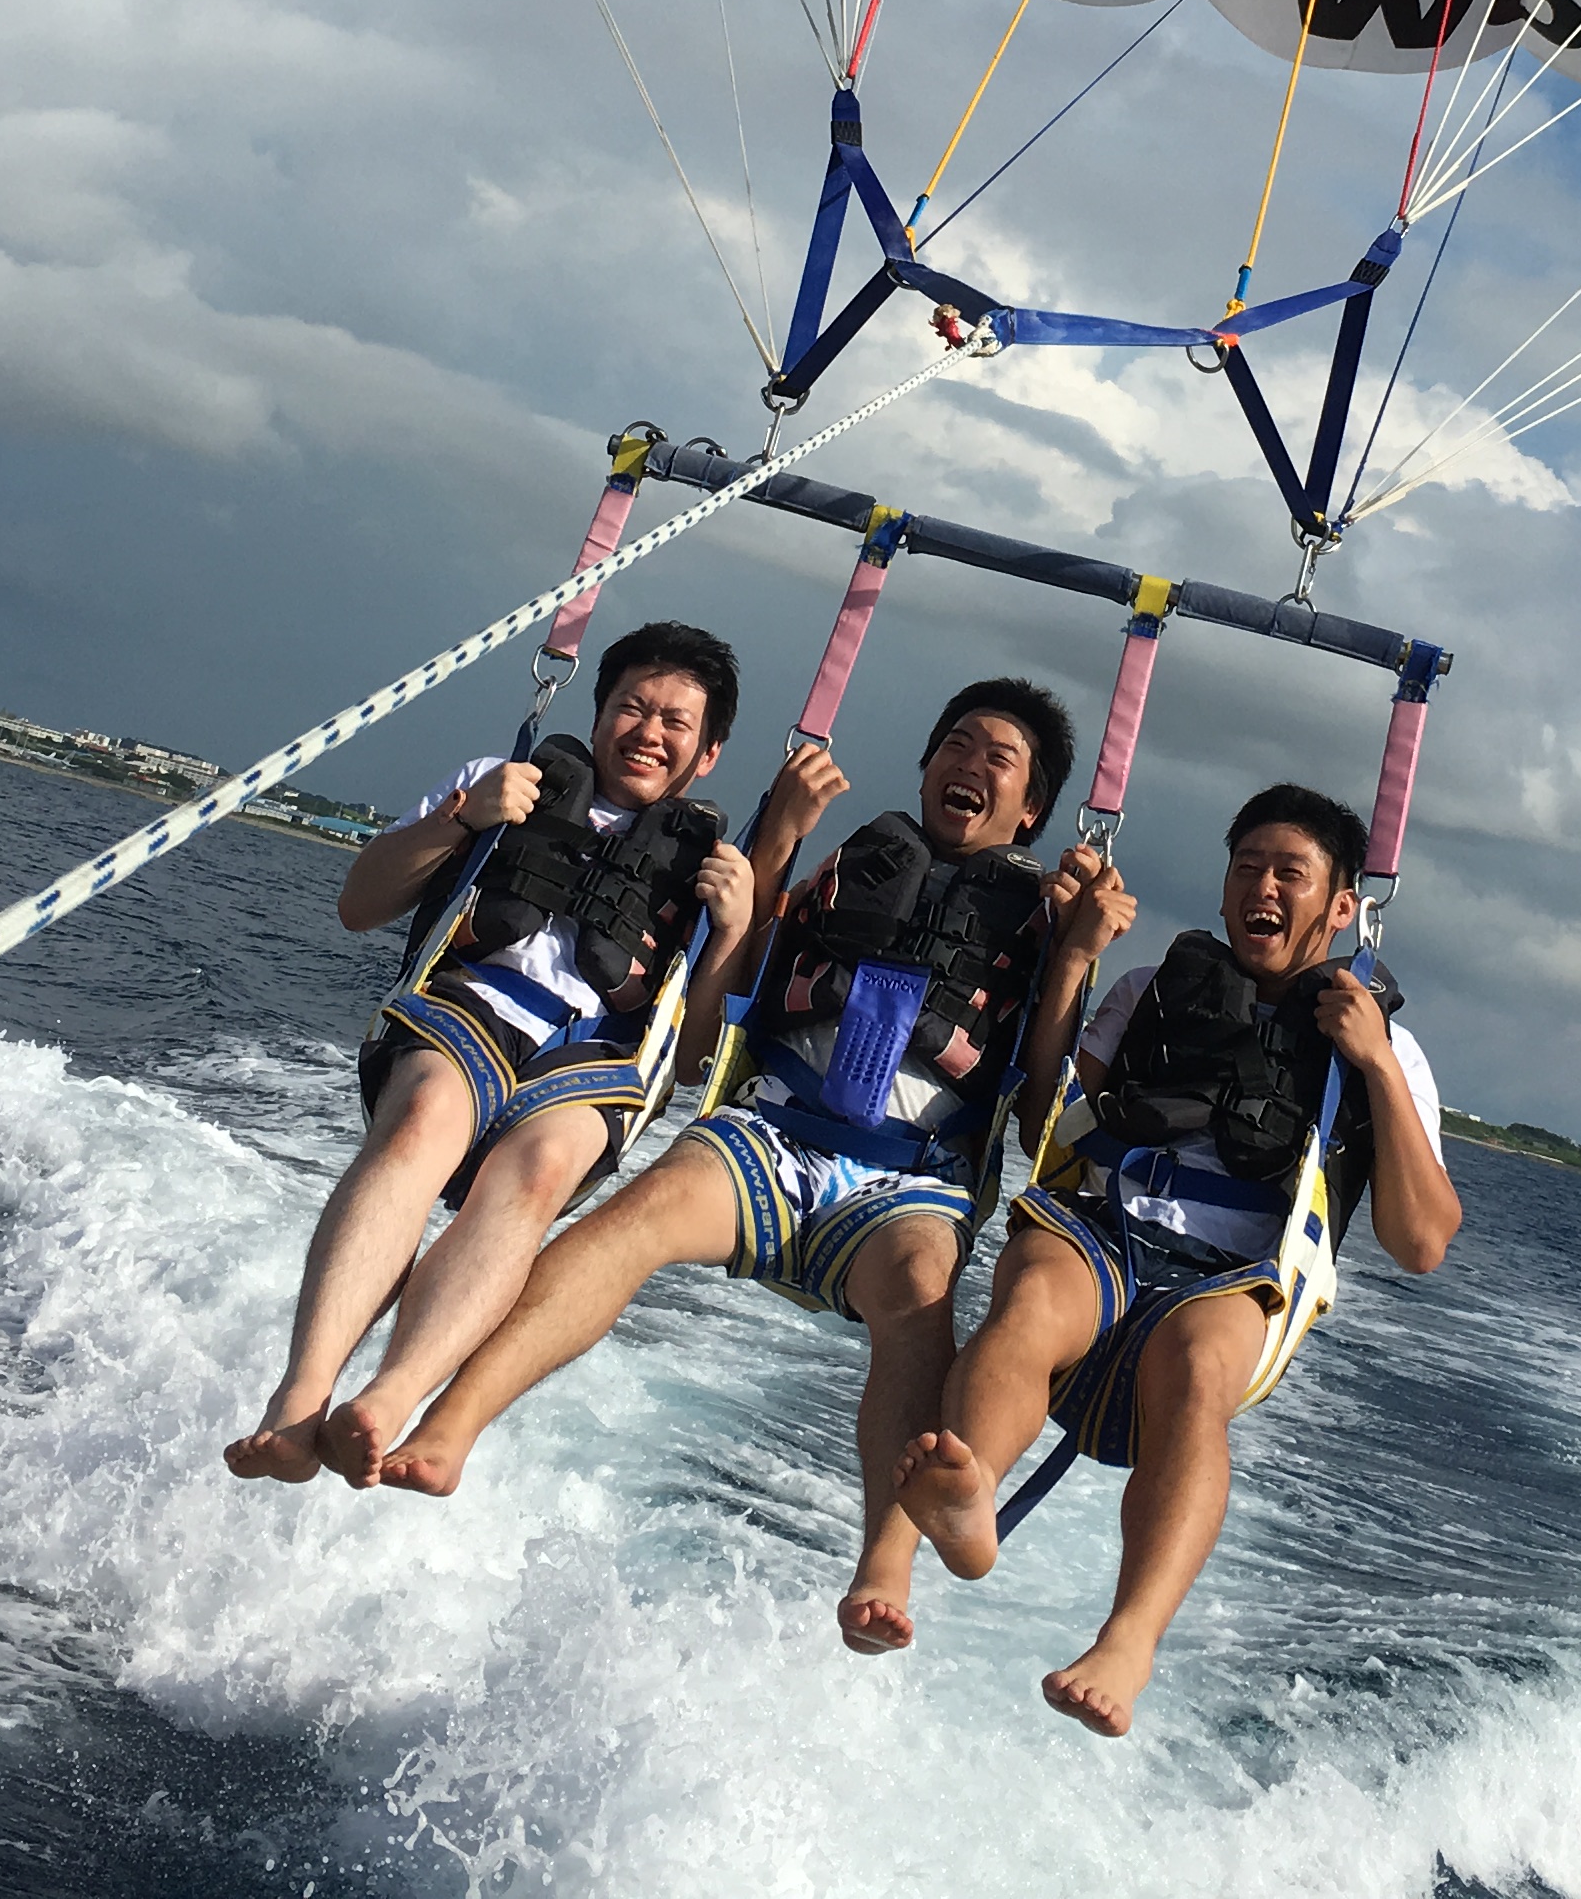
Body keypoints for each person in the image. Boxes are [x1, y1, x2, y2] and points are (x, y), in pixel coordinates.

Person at [382, 681, 1115, 1655]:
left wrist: (1075, 956)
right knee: (628, 1223)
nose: (969, 764)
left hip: (911, 1179)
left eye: (999, 758)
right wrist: (781, 837)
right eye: (956, 744)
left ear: (1030, 810)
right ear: (926, 766)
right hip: (768, 1133)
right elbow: (731, 991)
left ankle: (884, 1566)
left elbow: (1035, 1108)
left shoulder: (1048, 922)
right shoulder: (851, 867)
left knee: (920, 1306)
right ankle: (450, 1425)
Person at [891, 783, 1462, 1734]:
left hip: (1232, 1280)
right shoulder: (1152, 991)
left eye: (1290, 873)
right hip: (1103, 1229)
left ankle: (1129, 1640)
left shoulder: (1388, 1047)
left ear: (1342, 907)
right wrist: (1074, 962)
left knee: (1195, 1372)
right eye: (1247, 868)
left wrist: (1374, 1066)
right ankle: (970, 1495)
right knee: (1032, 1298)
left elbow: (1422, 1242)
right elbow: (1041, 1123)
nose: (1262, 888)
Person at [220, 620, 822, 1488]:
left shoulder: (715, 872)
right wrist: (461, 819)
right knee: (424, 1119)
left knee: (536, 1176)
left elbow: (691, 1064)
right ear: (599, 711)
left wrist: (731, 931)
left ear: (709, 752)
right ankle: (300, 1400)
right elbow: (360, 905)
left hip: (593, 1064)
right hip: (465, 1011)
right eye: (633, 708)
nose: (649, 732)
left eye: (675, 722)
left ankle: (386, 1403)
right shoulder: (501, 783)